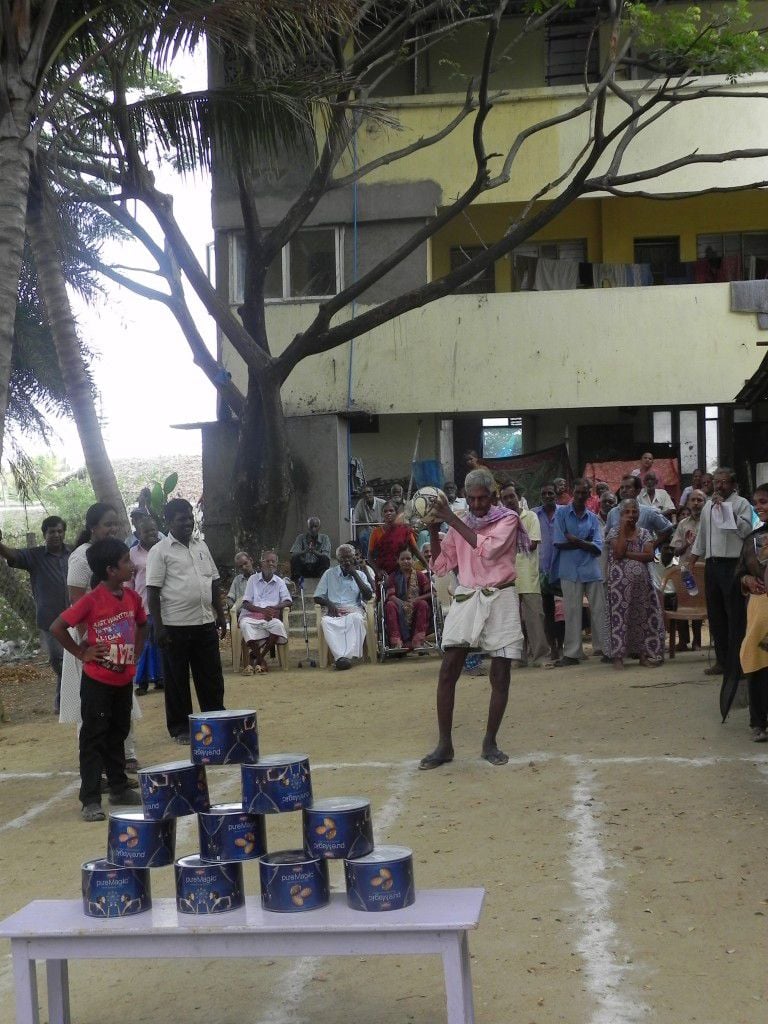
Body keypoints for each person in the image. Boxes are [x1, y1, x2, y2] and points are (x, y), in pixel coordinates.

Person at [419, 467, 525, 769]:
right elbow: (441, 566)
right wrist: (433, 530)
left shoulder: (508, 519)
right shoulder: (460, 522)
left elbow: (488, 551)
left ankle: (490, 742)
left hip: (501, 595)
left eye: (483, 498)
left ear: (493, 495)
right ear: (466, 496)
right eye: (472, 499)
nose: (477, 504)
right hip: (467, 596)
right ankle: (444, 745)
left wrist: (451, 519)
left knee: (500, 674)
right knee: (448, 670)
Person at [50, 538, 146, 822]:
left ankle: (119, 787)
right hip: (97, 682)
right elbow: (58, 627)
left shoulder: (132, 597)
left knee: (118, 731)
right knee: (94, 737)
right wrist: (82, 652)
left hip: (123, 680)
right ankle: (90, 798)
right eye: (126, 561)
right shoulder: (91, 600)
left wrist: (136, 653)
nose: (131, 565)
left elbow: (142, 624)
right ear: (110, 570)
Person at [146, 498, 227, 743]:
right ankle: (181, 728)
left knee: (211, 678)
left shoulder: (201, 546)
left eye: (190, 518)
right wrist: (158, 627)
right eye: (182, 519)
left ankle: (215, 720)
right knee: (176, 681)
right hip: (174, 627)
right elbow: (152, 592)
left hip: (204, 623)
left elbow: (213, 582)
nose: (188, 522)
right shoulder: (159, 551)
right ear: (169, 522)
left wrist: (220, 614)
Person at [686, 468, 754, 676]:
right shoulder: (708, 505)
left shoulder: (741, 504)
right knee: (716, 615)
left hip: (733, 564)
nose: (719, 486)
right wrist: (692, 560)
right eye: (716, 482)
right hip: (712, 565)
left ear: (733, 485)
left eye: (724, 482)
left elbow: (746, 532)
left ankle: (738, 663)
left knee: (734, 614)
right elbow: (702, 536)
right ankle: (722, 661)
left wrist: (726, 509)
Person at [0, 516, 69, 712]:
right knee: (58, 660)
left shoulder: (73, 553)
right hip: (50, 620)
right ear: (44, 534)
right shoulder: (35, 556)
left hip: (75, 617)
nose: (56, 535)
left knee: (73, 660)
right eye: (51, 532)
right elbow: (12, 554)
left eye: (59, 531)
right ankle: (64, 701)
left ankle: (64, 703)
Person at [551, 478, 607, 665]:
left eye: (584, 492)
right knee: (572, 611)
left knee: (599, 610)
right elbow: (559, 542)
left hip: (591, 569)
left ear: (589, 494)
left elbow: (598, 547)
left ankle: (606, 649)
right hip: (569, 570)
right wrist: (586, 542)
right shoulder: (561, 514)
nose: (581, 496)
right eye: (578, 492)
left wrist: (575, 540)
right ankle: (572, 654)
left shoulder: (593, 518)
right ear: (572, 492)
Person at [606, 500, 665, 669]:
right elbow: (618, 553)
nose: (631, 515)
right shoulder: (614, 532)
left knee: (642, 618)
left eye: (634, 511)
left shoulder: (645, 533)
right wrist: (624, 530)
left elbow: (649, 556)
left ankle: (643, 655)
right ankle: (618, 657)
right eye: (627, 512)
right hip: (619, 587)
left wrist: (628, 554)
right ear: (621, 514)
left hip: (642, 586)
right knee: (620, 618)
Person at [500, 484, 549, 666]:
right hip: (508, 575)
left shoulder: (530, 517)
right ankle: (518, 658)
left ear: (519, 497)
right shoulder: (501, 521)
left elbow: (532, 544)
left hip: (528, 574)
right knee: (513, 620)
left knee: (534, 617)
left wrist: (508, 545)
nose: (509, 500)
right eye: (505, 498)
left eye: (512, 496)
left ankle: (540, 656)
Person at [734, 484, 768, 741]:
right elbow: (740, 572)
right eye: (756, 503)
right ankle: (759, 722)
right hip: (760, 609)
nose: (758, 507)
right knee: (757, 659)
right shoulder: (753, 538)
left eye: (764, 501)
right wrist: (747, 580)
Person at [314, 543, 373, 669]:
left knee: (356, 619)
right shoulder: (329, 574)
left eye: (349, 557)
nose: (346, 561)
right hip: (333, 609)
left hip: (353, 609)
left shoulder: (360, 575)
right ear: (338, 560)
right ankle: (340, 657)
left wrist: (355, 575)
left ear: (354, 558)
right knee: (326, 622)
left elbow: (368, 596)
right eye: (343, 558)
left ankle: (345, 657)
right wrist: (329, 604)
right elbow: (317, 597)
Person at [239, 551, 292, 672]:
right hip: (251, 616)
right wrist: (263, 611)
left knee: (278, 626)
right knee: (245, 625)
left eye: (273, 561)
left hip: (270, 616)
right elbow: (246, 603)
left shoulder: (279, 581)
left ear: (276, 564)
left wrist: (274, 608)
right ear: (261, 563)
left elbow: (288, 601)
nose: (270, 564)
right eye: (267, 561)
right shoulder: (252, 579)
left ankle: (257, 658)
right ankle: (261, 661)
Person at [129, 516, 164, 694]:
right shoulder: (132, 553)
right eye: (146, 531)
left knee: (161, 642)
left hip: (164, 604)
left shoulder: (164, 548)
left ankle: (161, 678)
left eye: (153, 530)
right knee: (143, 643)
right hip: (142, 604)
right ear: (138, 533)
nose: (151, 533)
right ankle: (141, 682)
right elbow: (128, 581)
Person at [605, 476, 675, 547]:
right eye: (622, 487)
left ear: (638, 491)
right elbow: (607, 534)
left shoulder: (648, 512)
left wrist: (652, 546)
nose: (624, 490)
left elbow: (668, 529)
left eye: (628, 487)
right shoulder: (612, 512)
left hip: (642, 553)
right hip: (618, 553)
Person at [384, 549, 432, 650]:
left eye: (408, 558)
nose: (406, 561)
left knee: (423, 604)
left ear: (413, 560)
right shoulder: (393, 576)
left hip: (415, 605)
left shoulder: (420, 575)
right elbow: (391, 595)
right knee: (390, 605)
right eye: (402, 559)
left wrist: (416, 599)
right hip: (398, 606)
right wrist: (402, 604)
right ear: (397, 561)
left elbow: (431, 592)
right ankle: (397, 642)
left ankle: (417, 641)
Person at [534, 482, 561, 661]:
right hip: (543, 570)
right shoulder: (534, 514)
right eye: (544, 494)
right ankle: (553, 647)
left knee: (567, 610)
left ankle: (564, 644)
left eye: (550, 493)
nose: (547, 496)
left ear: (556, 494)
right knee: (548, 611)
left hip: (563, 568)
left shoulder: (564, 512)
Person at [368, 502, 425, 576]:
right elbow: (370, 557)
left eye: (391, 511)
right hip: (384, 574)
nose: (388, 513)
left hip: (402, 572)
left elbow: (416, 550)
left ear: (396, 513)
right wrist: (378, 570)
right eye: (385, 511)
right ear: (382, 514)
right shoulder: (376, 532)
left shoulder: (405, 530)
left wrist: (427, 565)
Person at [290, 518, 332, 582]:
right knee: (295, 558)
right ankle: (296, 581)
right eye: (311, 526)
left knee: (325, 559)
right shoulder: (300, 537)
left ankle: (323, 581)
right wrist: (305, 551)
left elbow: (326, 556)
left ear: (319, 527)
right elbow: (293, 554)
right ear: (308, 527)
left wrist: (313, 551)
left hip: (317, 568)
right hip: (304, 568)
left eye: (315, 526)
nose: (313, 529)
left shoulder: (325, 538)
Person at [353, 486, 384, 555]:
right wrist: (369, 523)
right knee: (363, 536)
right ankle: (367, 558)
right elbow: (355, 520)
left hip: (382, 529)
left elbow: (391, 518)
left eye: (369, 492)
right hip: (367, 529)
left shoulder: (382, 503)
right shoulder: (360, 503)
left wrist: (381, 525)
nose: (367, 495)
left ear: (373, 493)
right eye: (364, 493)